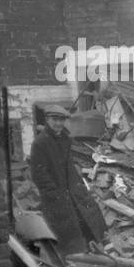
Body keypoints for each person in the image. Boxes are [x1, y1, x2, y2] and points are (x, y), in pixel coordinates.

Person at [29, 105, 107, 255]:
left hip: (72, 188)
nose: (58, 123)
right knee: (64, 228)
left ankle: (94, 248)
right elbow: (38, 174)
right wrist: (54, 193)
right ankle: (70, 261)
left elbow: (69, 165)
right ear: (47, 120)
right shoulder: (40, 143)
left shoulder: (65, 139)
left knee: (88, 214)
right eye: (54, 120)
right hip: (56, 194)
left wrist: (78, 185)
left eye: (61, 120)